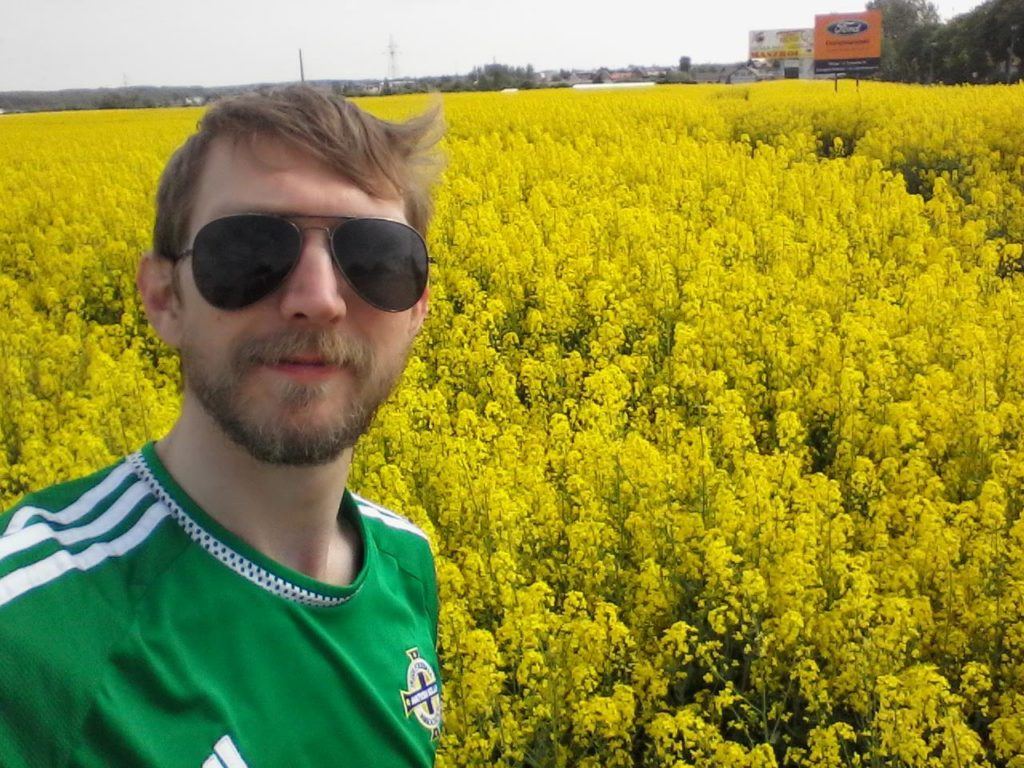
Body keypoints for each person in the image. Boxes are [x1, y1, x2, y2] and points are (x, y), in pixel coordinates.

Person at [0, 86, 444, 768]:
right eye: (250, 251)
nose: (318, 300)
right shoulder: (29, 635)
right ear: (162, 298)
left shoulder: (405, 562)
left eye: (377, 257)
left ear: (416, 309)